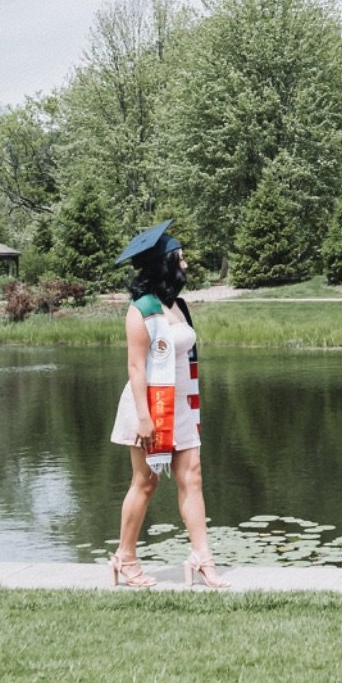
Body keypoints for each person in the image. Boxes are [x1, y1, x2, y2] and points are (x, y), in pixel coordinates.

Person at [106, 220, 226, 589]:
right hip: (149, 406)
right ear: (164, 263)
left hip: (182, 405)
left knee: (193, 477)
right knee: (146, 482)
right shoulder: (141, 309)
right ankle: (125, 558)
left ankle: (202, 558)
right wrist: (144, 418)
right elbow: (135, 367)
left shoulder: (179, 306)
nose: (185, 265)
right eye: (180, 258)